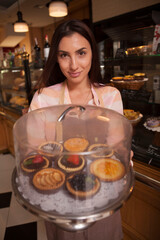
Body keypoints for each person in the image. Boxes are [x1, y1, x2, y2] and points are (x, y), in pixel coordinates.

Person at [29, 19, 124, 240]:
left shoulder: (111, 96)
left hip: (103, 198)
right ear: (56, 58)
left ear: (93, 53)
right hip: (60, 199)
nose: (73, 65)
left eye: (81, 53)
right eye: (64, 55)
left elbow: (117, 151)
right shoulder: (43, 98)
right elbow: (35, 155)